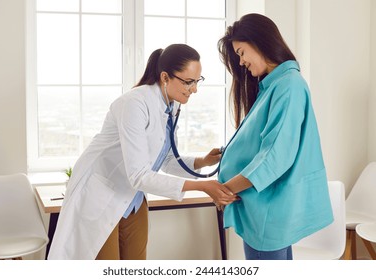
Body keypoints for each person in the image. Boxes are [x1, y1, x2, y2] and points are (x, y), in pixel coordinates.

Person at [47, 44, 238, 260]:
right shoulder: (133, 104)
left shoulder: (171, 106)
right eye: (188, 82)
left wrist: (203, 161)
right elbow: (139, 174)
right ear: (165, 77)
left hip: (133, 199)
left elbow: (164, 159)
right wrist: (202, 186)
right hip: (102, 195)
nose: (194, 89)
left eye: (198, 81)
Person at [215, 13, 334, 260]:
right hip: (264, 210)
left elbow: (274, 158)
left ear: (259, 42)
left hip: (268, 211)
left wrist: (224, 190)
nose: (240, 62)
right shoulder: (274, 85)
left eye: (241, 53)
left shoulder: (288, 86)